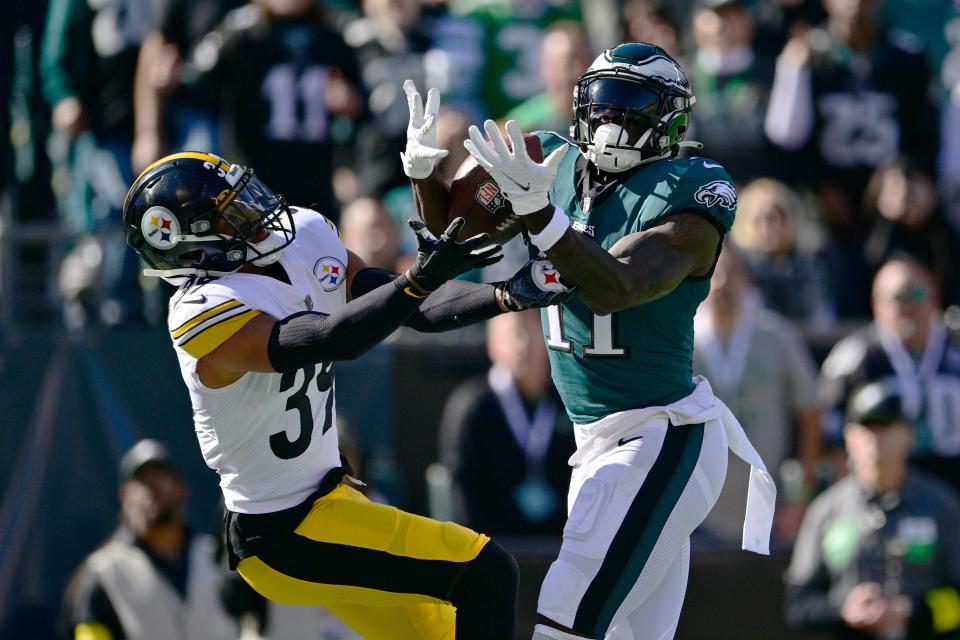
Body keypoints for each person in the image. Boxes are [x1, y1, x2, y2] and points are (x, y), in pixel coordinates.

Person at [407, 42, 775, 640]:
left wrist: (543, 219)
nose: (612, 122)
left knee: (564, 613)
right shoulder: (550, 163)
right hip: (596, 442)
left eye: (631, 109)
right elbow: (451, 244)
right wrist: (428, 180)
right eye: (602, 107)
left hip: (665, 434)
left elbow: (618, 284)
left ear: (669, 121)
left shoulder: (692, 190)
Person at [121, 151, 571, 639]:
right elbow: (331, 337)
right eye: (231, 214)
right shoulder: (200, 310)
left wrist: (508, 294)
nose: (254, 214)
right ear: (192, 247)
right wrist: (421, 278)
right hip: (282, 534)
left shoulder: (300, 236)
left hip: (330, 501)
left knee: (440, 632)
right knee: (487, 573)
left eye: (245, 198)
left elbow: (406, 308)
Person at [784, 382, 960, 639]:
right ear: (848, 438)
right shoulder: (826, 511)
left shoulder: (941, 507)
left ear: (908, 435)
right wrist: (843, 610)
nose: (876, 440)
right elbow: (797, 606)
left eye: (886, 427)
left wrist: (914, 612)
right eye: (867, 428)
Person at [62, 439, 239, 640]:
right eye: (141, 480)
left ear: (182, 488)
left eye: (160, 475)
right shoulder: (101, 573)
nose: (152, 486)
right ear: (123, 496)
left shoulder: (218, 559)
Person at [820, 256, 960, 496]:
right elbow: (832, 438)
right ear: (876, 304)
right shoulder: (855, 358)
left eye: (916, 295)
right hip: (881, 500)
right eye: (898, 298)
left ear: (936, 299)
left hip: (952, 497)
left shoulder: (955, 351)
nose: (909, 307)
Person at [439, 309, 576, 535]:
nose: (523, 344)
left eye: (532, 330)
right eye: (514, 333)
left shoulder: (569, 403)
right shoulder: (473, 406)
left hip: (562, 546)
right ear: (493, 344)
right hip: (493, 549)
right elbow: (460, 484)